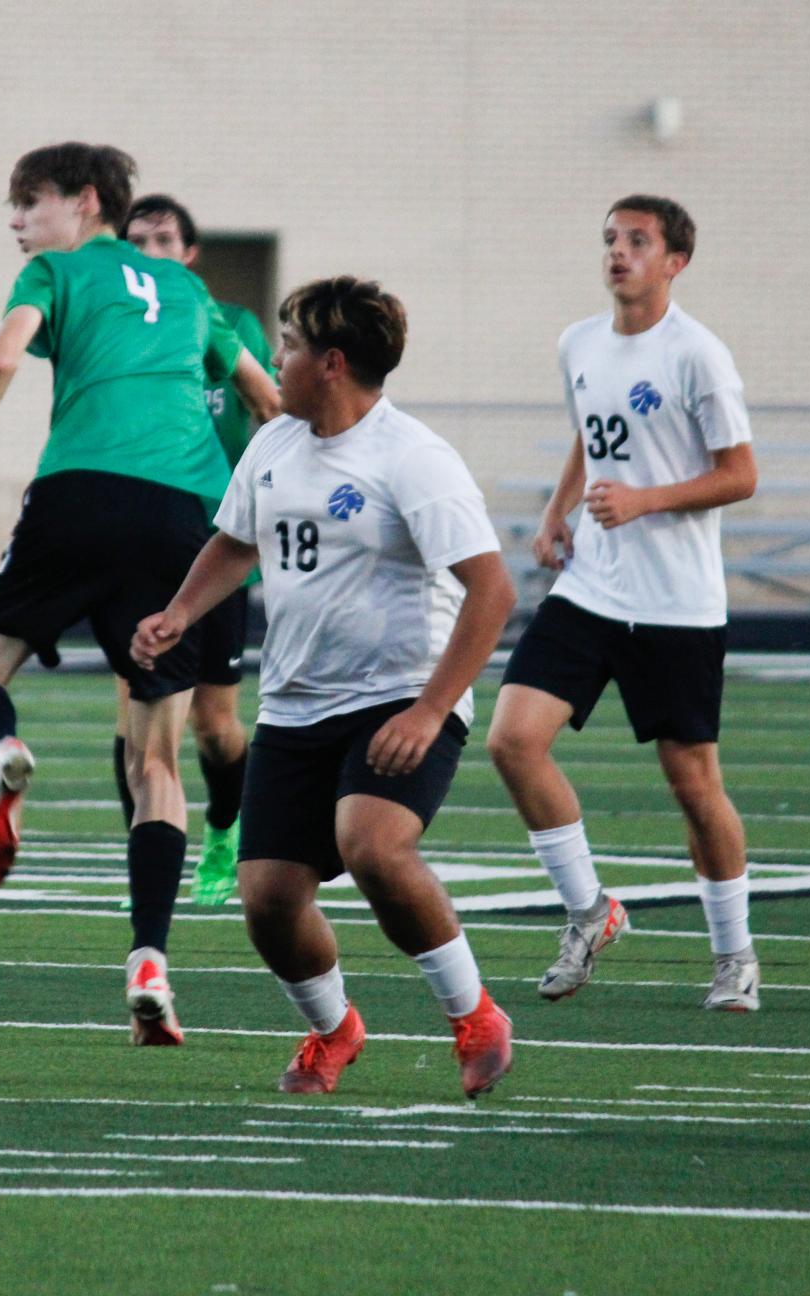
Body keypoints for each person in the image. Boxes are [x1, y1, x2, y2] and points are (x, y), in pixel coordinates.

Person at [0, 143, 281, 1046]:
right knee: (157, 763)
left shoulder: (55, 272)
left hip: (77, 495)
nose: (17, 222)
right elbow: (268, 402)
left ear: (81, 200)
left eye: (27, 202)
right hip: (182, 519)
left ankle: (0, 758)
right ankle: (149, 958)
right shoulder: (192, 296)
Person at [133, 275, 518, 1098]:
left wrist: (430, 708)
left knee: (372, 845)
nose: (276, 357)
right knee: (267, 900)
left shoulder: (411, 457)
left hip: (399, 698)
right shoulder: (274, 442)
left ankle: (475, 1016)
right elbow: (234, 544)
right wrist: (176, 614)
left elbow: (492, 591)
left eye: (291, 344)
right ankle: (334, 1030)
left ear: (332, 363)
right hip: (297, 704)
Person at [486, 195, 761, 1011]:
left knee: (691, 784)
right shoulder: (578, 341)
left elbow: (740, 473)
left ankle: (733, 954)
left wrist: (646, 501)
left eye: (637, 241)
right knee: (511, 741)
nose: (618, 253)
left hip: (675, 604)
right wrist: (555, 512)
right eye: (610, 238)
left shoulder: (698, 357)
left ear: (674, 260)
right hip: (591, 591)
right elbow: (589, 431)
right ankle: (589, 910)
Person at [121, 193, 274, 905]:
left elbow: (270, 408)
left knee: (214, 725)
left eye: (162, 240)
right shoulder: (116, 332)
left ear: (189, 254)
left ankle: (222, 829)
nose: (149, 253)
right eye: (136, 241)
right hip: (142, 545)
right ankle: (146, 872)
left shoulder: (229, 326)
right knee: (139, 720)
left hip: (216, 548)